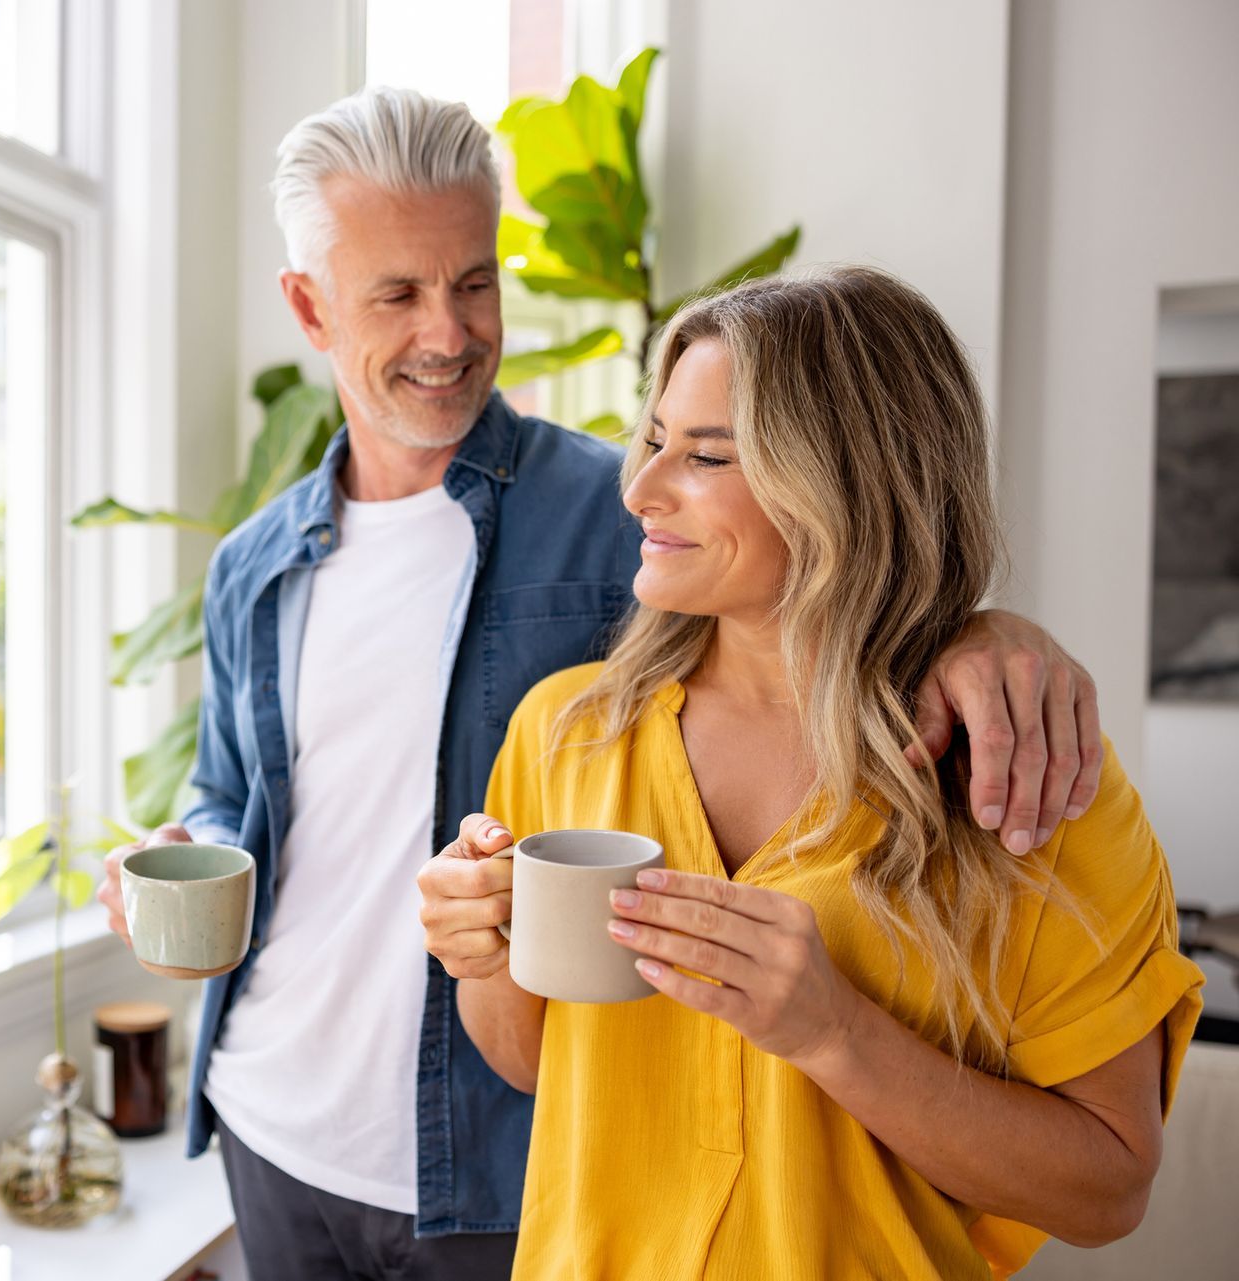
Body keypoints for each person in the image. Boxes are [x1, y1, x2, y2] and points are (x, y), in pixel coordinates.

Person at [97, 86, 1107, 1279]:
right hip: (270, 1119)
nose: (450, 331)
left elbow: (833, 594)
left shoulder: (621, 514)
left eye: (474, 281)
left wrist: (983, 631)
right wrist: (184, 845)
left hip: (498, 1164)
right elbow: (235, 792)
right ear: (310, 307)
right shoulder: (252, 565)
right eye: (398, 293)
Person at [419, 266, 1205, 1278]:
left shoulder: (1028, 783)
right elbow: (540, 1064)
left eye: (705, 456)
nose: (640, 489)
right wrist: (480, 948)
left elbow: (1109, 1187)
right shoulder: (566, 733)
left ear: (848, 483)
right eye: (654, 439)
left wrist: (836, 1033)